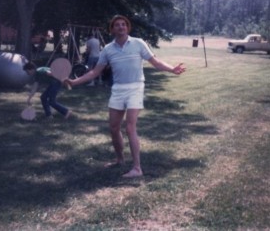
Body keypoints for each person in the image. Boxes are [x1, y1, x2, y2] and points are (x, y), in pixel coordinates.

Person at [65, 15, 185, 178]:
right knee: (114, 128)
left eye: (123, 24)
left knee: (130, 127)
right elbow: (94, 72)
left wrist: (172, 69)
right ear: (112, 29)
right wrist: (74, 82)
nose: (121, 27)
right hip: (118, 89)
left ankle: (137, 168)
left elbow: (155, 62)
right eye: (117, 25)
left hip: (136, 87)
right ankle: (120, 159)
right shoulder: (107, 49)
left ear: (127, 28)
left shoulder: (138, 43)